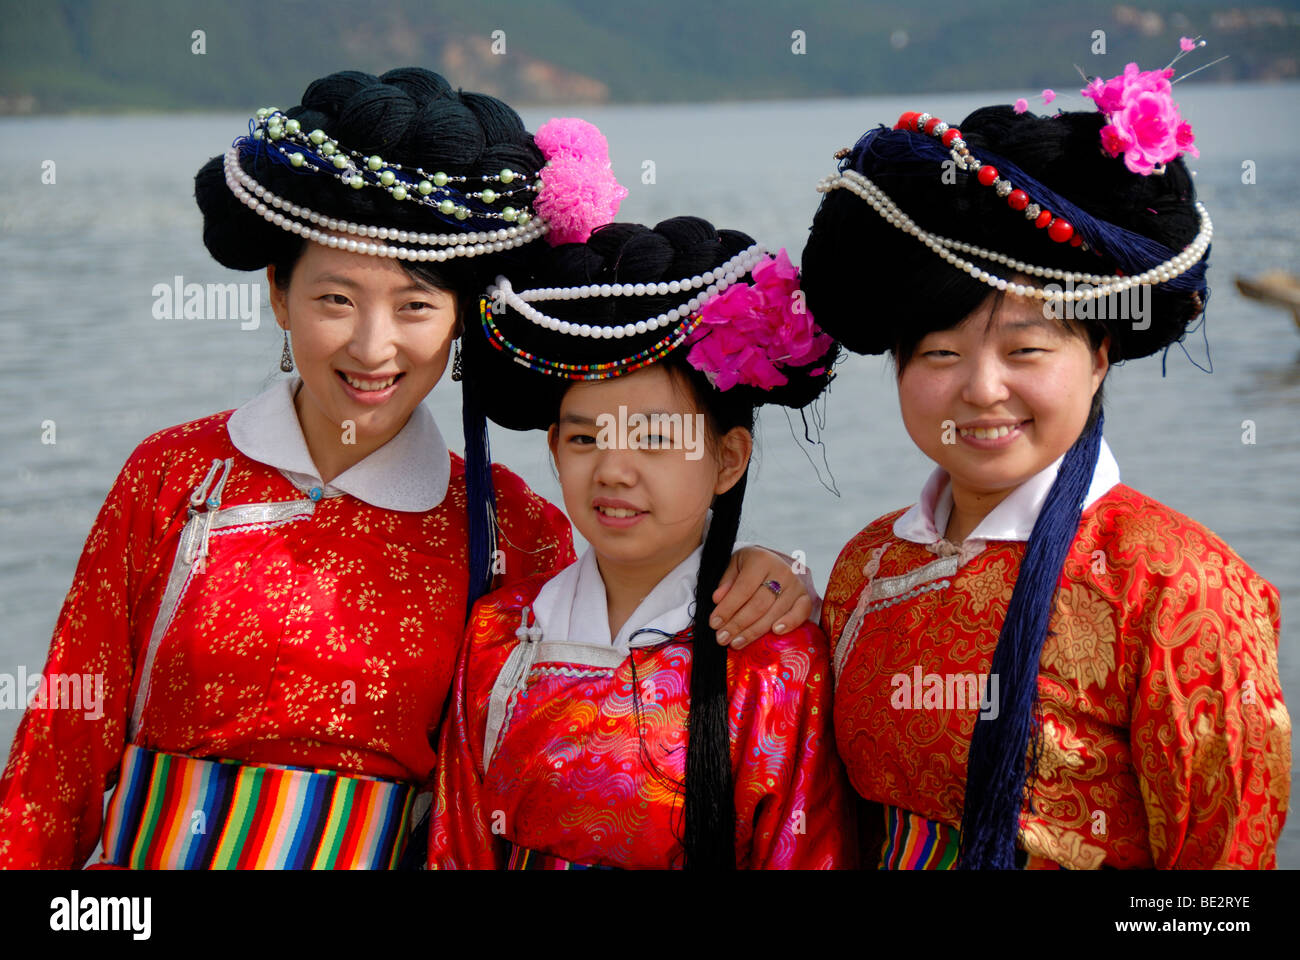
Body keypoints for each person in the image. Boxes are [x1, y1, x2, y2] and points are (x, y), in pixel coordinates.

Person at [0, 70, 812, 870]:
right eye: (335, 300)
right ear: (278, 295)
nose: (372, 346)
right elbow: (63, 747)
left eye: (416, 304)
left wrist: (755, 572)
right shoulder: (177, 475)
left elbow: (607, 649)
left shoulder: (511, 527)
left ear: (463, 321)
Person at [802, 61, 1290, 869]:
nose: (982, 389)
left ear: (1100, 355)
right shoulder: (865, 568)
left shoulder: (1177, 589)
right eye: (941, 353)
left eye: (1026, 348)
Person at [428, 217, 856, 869]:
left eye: (655, 439)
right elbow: (456, 847)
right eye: (584, 438)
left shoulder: (780, 663)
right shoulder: (497, 635)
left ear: (729, 461)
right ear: (553, 448)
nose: (613, 469)